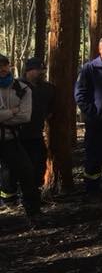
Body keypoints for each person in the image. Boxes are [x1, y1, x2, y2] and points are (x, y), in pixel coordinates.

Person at [74, 35, 102, 196]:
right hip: (96, 124)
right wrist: (93, 114)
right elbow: (80, 95)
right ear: (100, 49)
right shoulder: (90, 68)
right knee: (94, 158)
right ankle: (92, 191)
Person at [0, 54, 40, 223]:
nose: (2, 69)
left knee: (27, 172)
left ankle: (34, 213)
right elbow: (18, 114)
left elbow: (25, 116)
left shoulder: (22, 89)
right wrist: (12, 112)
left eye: (5, 65)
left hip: (10, 139)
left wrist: (3, 116)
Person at [18, 57, 55, 192]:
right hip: (18, 135)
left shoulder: (48, 88)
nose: (41, 72)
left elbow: (51, 108)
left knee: (39, 163)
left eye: (43, 69)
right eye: (37, 69)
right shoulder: (16, 86)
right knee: (18, 167)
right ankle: (13, 196)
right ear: (28, 71)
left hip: (36, 134)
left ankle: (34, 191)